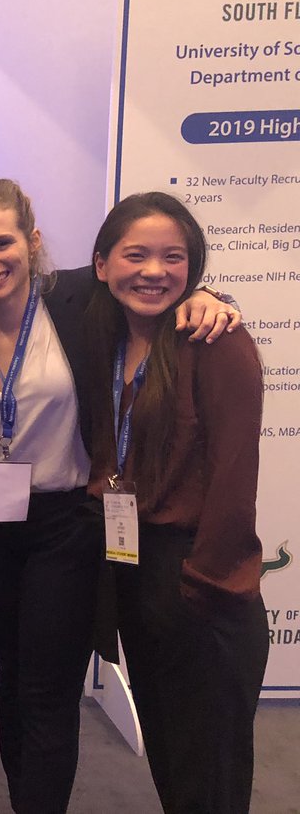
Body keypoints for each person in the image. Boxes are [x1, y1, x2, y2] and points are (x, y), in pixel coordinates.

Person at [0, 178, 241, 814]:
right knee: (11, 676)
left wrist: (213, 295)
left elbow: (152, 287)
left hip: (67, 525)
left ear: (32, 241)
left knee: (47, 687)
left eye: (1, 242)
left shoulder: (76, 300)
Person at [85, 192, 268, 814]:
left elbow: (234, 477)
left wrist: (205, 584)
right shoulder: (104, 336)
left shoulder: (215, 342)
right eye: (136, 255)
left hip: (200, 582)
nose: (154, 272)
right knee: (170, 756)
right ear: (102, 263)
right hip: (135, 570)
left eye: (174, 258)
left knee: (210, 773)